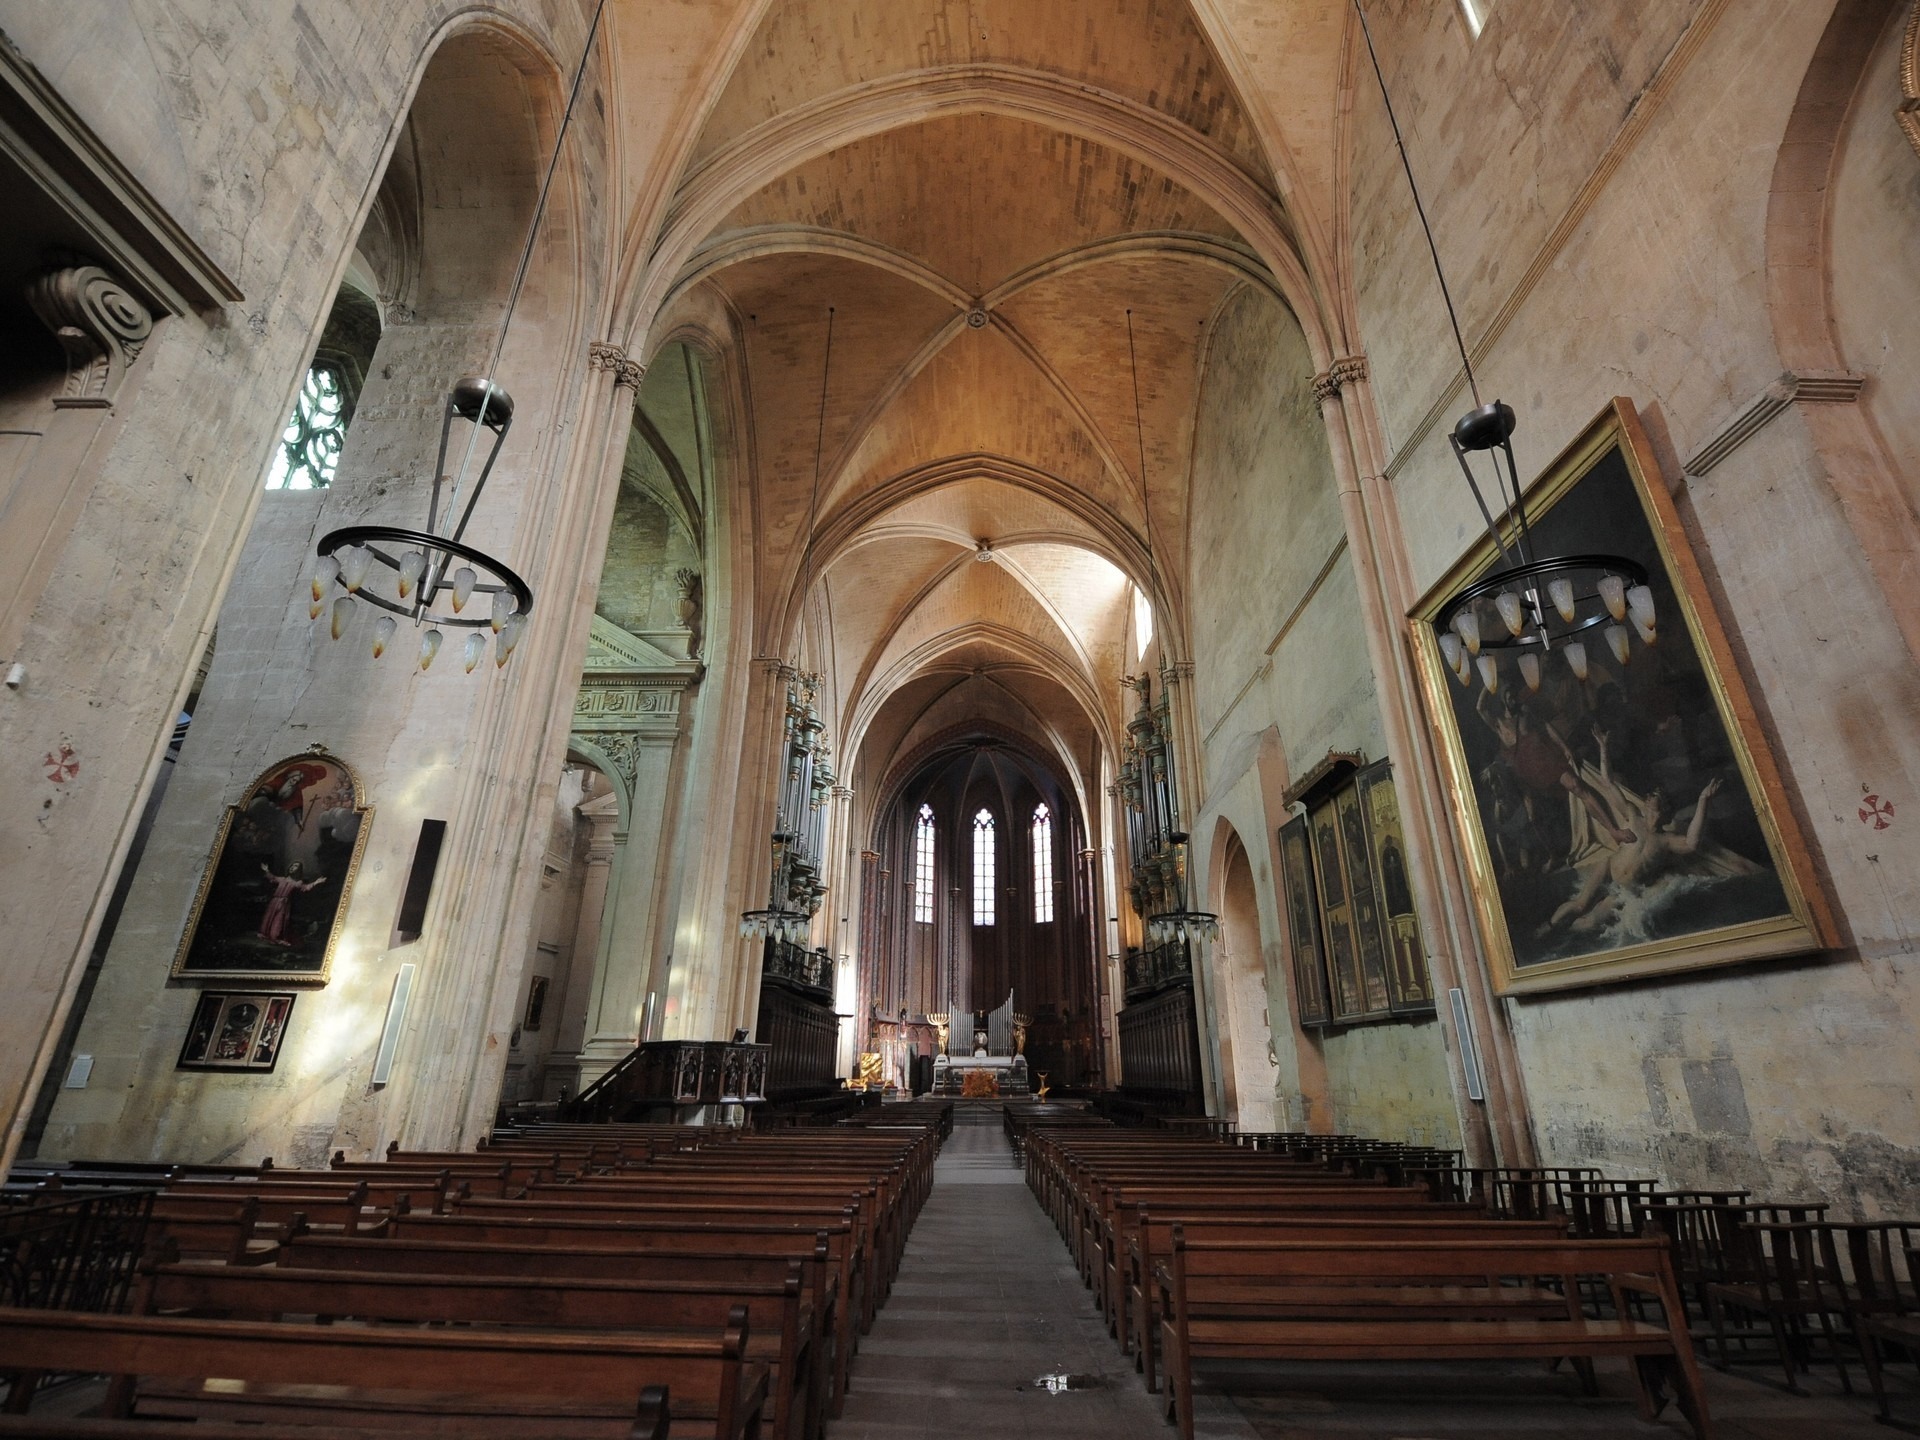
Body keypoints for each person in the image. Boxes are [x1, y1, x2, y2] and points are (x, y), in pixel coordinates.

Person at [257, 861, 327, 946]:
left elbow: (305, 887)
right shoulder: (283, 879)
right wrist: (266, 870)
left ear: (299, 870)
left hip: (284, 904)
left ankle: (275, 937)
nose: (293, 867)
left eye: (296, 866)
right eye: (292, 866)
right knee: (268, 920)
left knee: (279, 922)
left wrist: (316, 882)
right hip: (274, 902)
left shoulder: (298, 882)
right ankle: (265, 934)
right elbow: (272, 878)